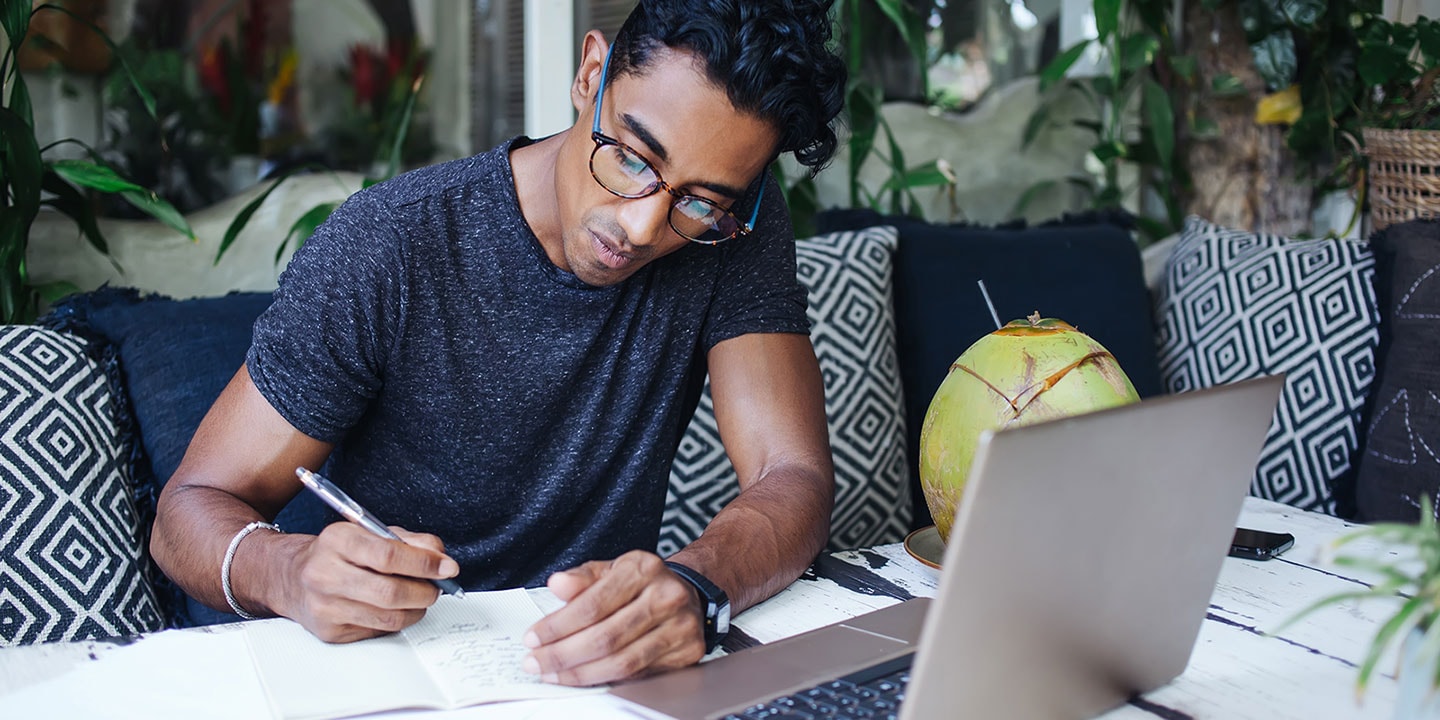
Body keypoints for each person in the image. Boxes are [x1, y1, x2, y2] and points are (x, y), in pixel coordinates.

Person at [150, 0, 847, 686]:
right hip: (393, 667)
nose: (641, 227)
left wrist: (696, 586)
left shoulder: (731, 232)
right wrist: (291, 572)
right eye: (633, 158)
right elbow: (187, 511)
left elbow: (792, 475)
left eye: (699, 201)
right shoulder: (391, 244)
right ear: (590, 74)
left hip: (591, 676)